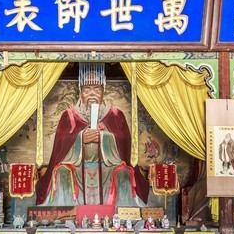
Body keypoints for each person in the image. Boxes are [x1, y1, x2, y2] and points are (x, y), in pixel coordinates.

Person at [36, 63, 149, 207]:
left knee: (123, 173)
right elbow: (61, 145)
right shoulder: (69, 116)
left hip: (107, 167)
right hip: (77, 167)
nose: (92, 94)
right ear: (80, 93)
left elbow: (124, 142)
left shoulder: (115, 114)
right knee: (62, 172)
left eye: (96, 89)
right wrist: (80, 138)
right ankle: (66, 213)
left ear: (103, 93)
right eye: (87, 89)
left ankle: (121, 213)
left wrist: (104, 137)